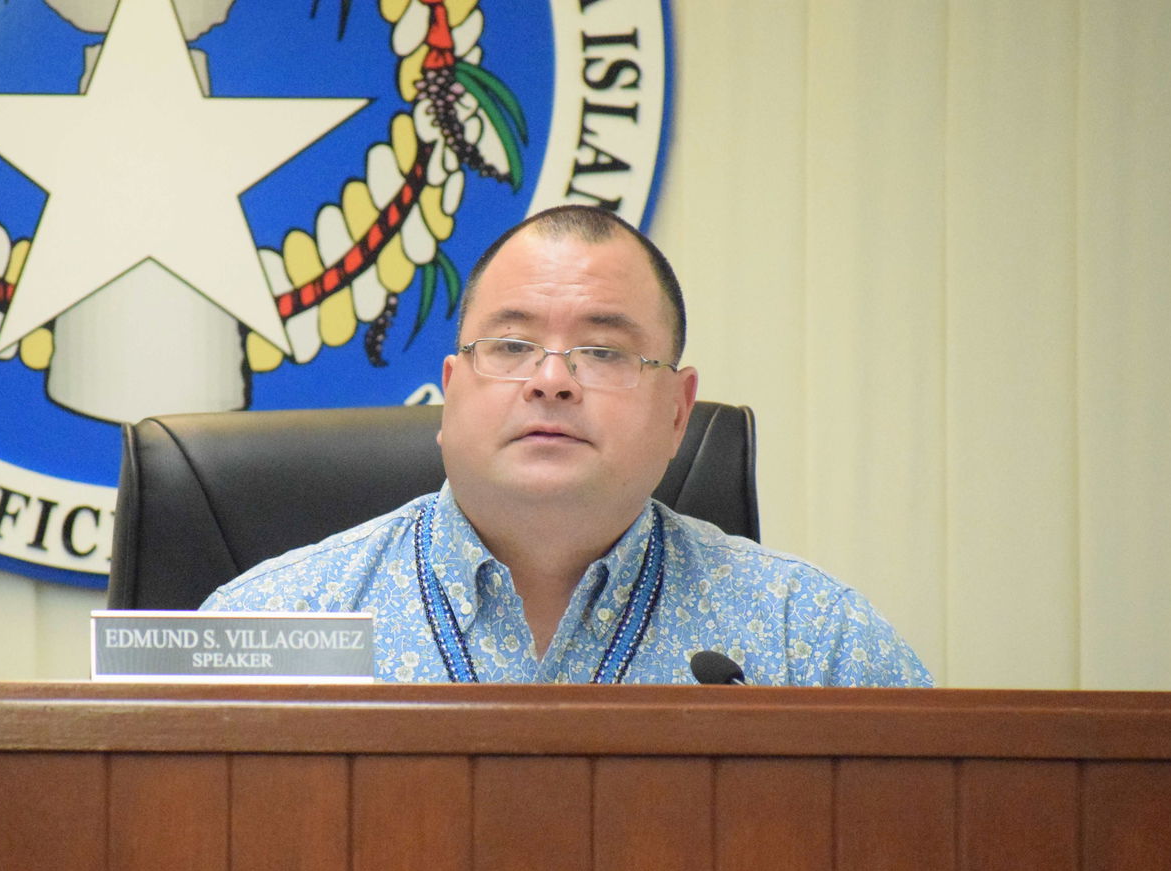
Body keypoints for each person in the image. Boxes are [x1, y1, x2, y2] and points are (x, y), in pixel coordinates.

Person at [201, 206, 931, 686]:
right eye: (512, 345)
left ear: (678, 413)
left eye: (605, 353)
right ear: (451, 392)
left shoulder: (814, 642)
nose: (552, 381)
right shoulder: (265, 627)